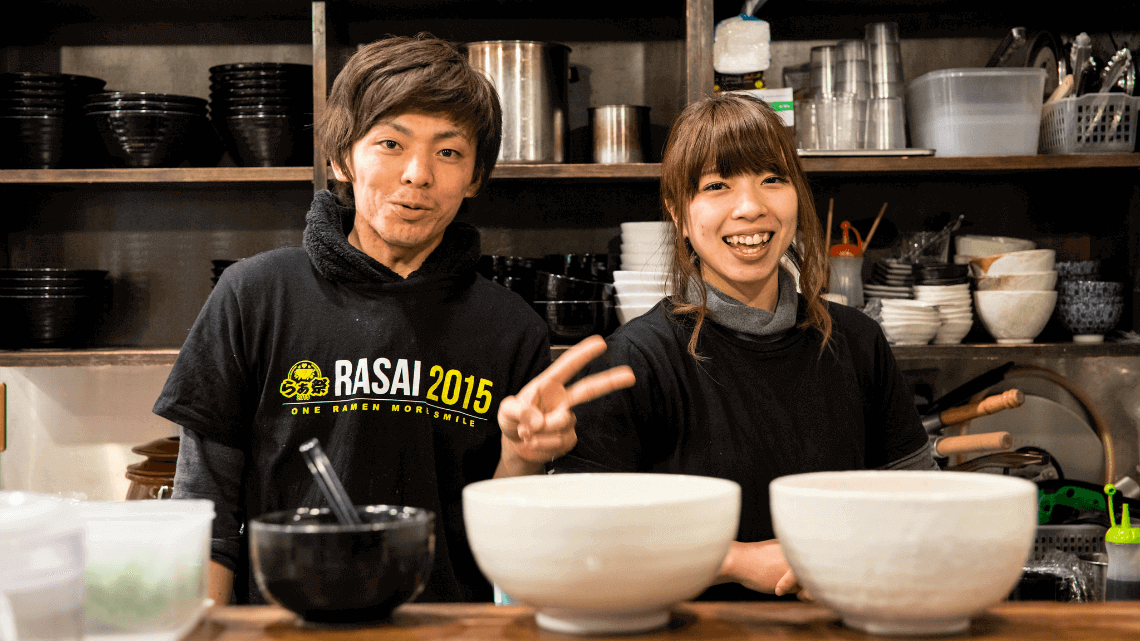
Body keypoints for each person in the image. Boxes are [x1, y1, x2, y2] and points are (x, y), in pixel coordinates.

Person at [154, 33, 633, 606]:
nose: (417, 174)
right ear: (341, 158)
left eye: (449, 152)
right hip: (287, 625)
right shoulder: (255, 295)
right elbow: (200, 508)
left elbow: (505, 542)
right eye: (390, 143)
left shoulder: (509, 326)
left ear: (476, 177)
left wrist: (523, 457)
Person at [551, 92, 937, 601]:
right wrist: (737, 560)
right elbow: (578, 542)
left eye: (772, 179)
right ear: (680, 214)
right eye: (717, 185)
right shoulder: (635, 360)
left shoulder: (857, 342)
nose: (751, 207)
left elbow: (924, 510)